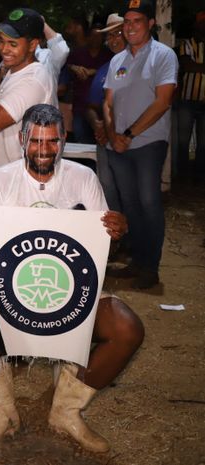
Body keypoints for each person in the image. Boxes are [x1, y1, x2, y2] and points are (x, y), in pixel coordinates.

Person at [0, 104, 144, 453]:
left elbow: (100, 252)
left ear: (63, 140)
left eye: (52, 142)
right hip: (8, 288)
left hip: (68, 291)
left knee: (127, 328)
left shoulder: (83, 178)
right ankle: (1, 413)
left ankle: (67, 411)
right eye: (36, 141)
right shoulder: (0, 179)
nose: (43, 149)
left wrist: (118, 232)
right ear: (22, 139)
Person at [103, 0, 178, 289]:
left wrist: (130, 134)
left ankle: (151, 268)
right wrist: (112, 135)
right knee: (130, 205)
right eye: (127, 21)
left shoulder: (163, 56)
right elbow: (107, 102)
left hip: (148, 142)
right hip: (118, 146)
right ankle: (137, 260)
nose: (130, 26)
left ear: (150, 24)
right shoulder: (116, 60)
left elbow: (163, 101)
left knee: (149, 202)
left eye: (137, 21)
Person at [0, 8, 57, 169]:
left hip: (26, 179)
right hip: (9, 174)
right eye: (1, 41)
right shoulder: (13, 68)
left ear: (33, 45)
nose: (3, 49)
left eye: (12, 44)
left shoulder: (34, 79)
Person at [85, 14, 126, 211]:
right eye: (109, 36)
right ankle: (116, 237)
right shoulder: (104, 68)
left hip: (129, 138)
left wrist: (109, 128)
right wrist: (98, 125)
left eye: (117, 33)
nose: (113, 40)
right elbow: (91, 107)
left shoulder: (142, 65)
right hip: (104, 139)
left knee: (130, 191)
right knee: (107, 188)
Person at [66, 20, 113, 143]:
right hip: (80, 106)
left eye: (99, 36)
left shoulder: (108, 55)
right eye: (93, 36)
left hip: (100, 109)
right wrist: (73, 67)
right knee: (81, 141)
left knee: (100, 140)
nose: (95, 39)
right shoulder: (78, 53)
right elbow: (65, 66)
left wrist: (95, 71)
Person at [175, 11, 205, 178]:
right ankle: (182, 175)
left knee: (203, 143)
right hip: (187, 99)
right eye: (201, 23)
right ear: (196, 25)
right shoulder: (187, 43)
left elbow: (194, 66)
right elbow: (187, 66)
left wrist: (197, 66)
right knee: (183, 141)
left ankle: (199, 176)